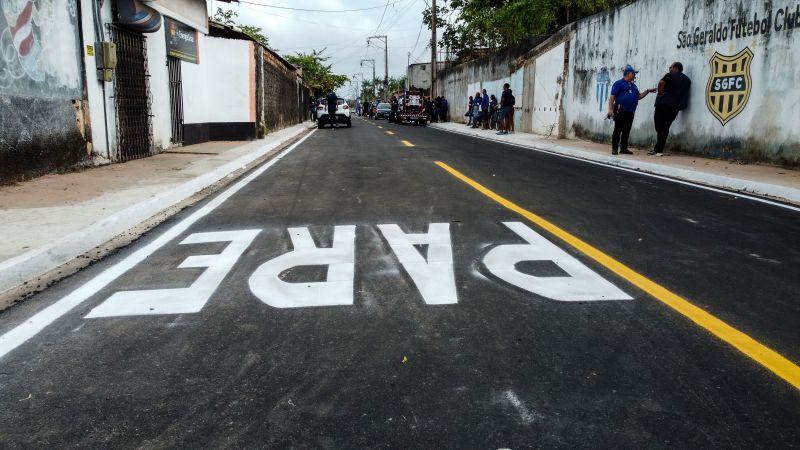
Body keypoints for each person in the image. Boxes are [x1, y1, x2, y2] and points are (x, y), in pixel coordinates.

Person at [607, 65, 656, 154]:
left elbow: (638, 96)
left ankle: (623, 148)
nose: (634, 75)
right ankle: (614, 149)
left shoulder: (634, 86)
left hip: (630, 111)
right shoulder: (618, 83)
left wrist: (648, 91)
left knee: (626, 130)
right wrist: (610, 109)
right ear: (627, 74)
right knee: (618, 129)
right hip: (620, 110)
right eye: (633, 73)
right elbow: (612, 97)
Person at [650, 61, 691, 156]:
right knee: (665, 126)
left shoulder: (670, 75)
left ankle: (658, 149)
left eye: (671, 67)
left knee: (659, 125)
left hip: (663, 104)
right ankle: (658, 149)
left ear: (676, 68)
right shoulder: (687, 80)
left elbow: (661, 82)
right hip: (676, 106)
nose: (670, 69)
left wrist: (660, 93)